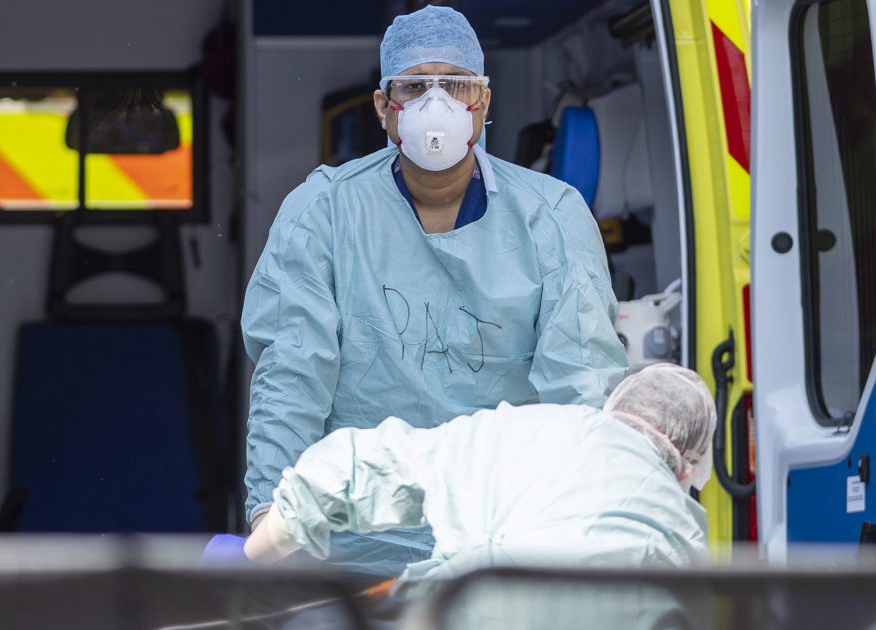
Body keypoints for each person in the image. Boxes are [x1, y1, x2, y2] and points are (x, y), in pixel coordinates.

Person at [239, 4, 628, 579]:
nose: (435, 104)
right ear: (384, 108)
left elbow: (582, 389)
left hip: (500, 543)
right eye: (415, 87)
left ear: (483, 103)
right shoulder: (324, 213)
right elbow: (292, 374)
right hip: (353, 547)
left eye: (456, 86)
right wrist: (271, 514)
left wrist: (591, 528)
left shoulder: (551, 217)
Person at [244, 364, 715, 590]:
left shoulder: (525, 429)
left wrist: (252, 557)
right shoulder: (685, 534)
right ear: (687, 469)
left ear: (613, 408)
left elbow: (352, 470)